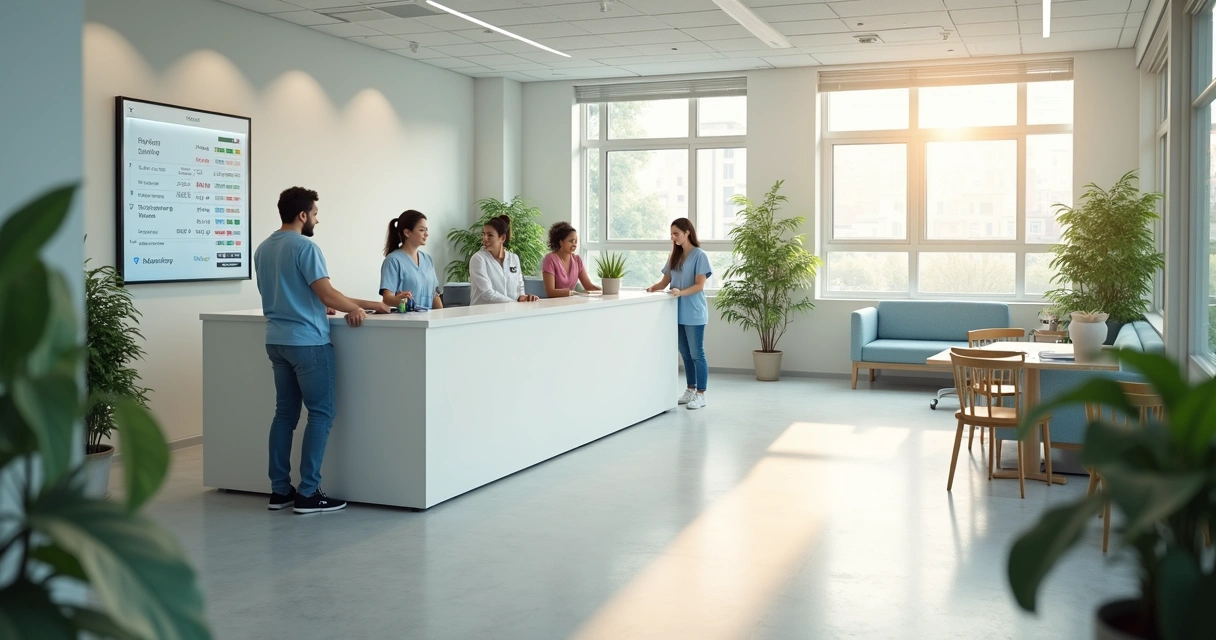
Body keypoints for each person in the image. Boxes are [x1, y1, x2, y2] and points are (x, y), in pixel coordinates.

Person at [254, 186, 390, 514]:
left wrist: (371, 304)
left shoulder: (263, 249)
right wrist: (353, 310)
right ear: (303, 215)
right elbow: (327, 294)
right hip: (308, 343)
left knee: (284, 415)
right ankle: (308, 493)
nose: (316, 218)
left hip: (277, 340)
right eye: (315, 213)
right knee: (320, 413)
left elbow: (308, 294)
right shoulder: (305, 247)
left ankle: (279, 491)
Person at [646, 218, 712, 410]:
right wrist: (651, 289)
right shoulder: (674, 256)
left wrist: (680, 292)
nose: (673, 237)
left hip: (694, 312)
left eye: (676, 233)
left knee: (697, 353)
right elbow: (665, 281)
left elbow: (700, 285)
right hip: (677, 313)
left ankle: (701, 394)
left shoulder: (700, 255)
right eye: (672, 234)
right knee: (684, 352)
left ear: (687, 233)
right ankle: (690, 389)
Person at [379, 209, 444, 311]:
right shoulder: (393, 260)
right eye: (422, 230)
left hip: (429, 321)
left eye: (427, 230)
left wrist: (442, 315)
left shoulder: (427, 259)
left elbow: (434, 295)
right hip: (407, 322)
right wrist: (402, 300)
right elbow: (387, 298)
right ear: (407, 233)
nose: (426, 234)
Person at [469, 215, 540, 305]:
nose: (484, 239)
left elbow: (519, 291)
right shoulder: (478, 259)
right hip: (483, 315)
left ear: (502, 238)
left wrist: (526, 298)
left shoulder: (514, 258)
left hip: (509, 313)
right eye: (483, 234)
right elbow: (487, 294)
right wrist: (515, 304)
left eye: (490, 235)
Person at [541, 221, 601, 298]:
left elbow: (589, 287)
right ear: (561, 242)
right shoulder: (550, 259)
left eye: (576, 241)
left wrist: (605, 291)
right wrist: (574, 293)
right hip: (554, 305)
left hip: (571, 303)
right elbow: (550, 292)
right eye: (571, 241)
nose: (574, 244)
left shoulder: (577, 260)